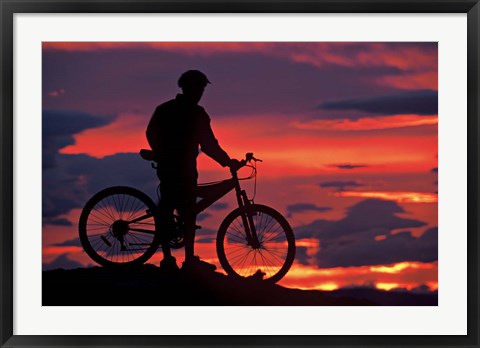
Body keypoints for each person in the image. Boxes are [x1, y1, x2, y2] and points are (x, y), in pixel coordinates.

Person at [146, 70, 239, 272]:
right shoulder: (194, 113)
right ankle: (179, 260)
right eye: (198, 87)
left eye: (202, 88)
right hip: (179, 166)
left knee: (178, 209)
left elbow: (151, 133)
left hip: (177, 166)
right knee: (182, 209)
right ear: (187, 87)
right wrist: (228, 162)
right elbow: (208, 145)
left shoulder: (168, 110)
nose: (200, 92)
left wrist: (160, 152)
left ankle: (177, 259)